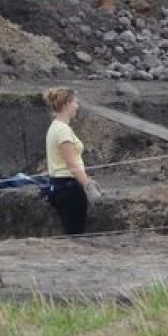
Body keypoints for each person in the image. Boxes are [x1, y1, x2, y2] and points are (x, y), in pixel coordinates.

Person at [43, 87, 102, 235]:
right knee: (75, 234)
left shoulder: (55, 127)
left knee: (71, 232)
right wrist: (88, 185)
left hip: (60, 187)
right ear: (66, 104)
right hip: (69, 190)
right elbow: (72, 164)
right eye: (76, 102)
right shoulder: (62, 130)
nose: (77, 106)